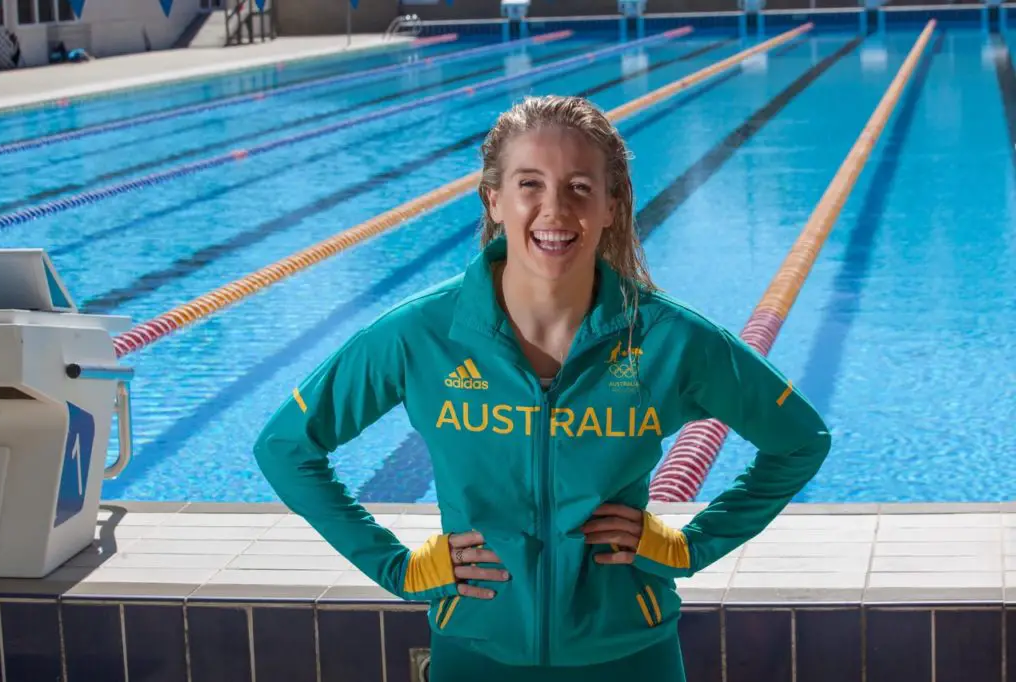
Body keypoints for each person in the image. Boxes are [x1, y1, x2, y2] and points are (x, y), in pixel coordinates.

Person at [253, 94, 831, 682]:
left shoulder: (668, 338)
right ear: (494, 200)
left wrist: (691, 545)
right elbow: (286, 448)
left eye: (579, 187)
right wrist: (396, 568)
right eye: (530, 184)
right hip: (476, 653)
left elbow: (800, 440)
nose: (554, 210)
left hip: (630, 656)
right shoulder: (421, 334)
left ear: (611, 206)